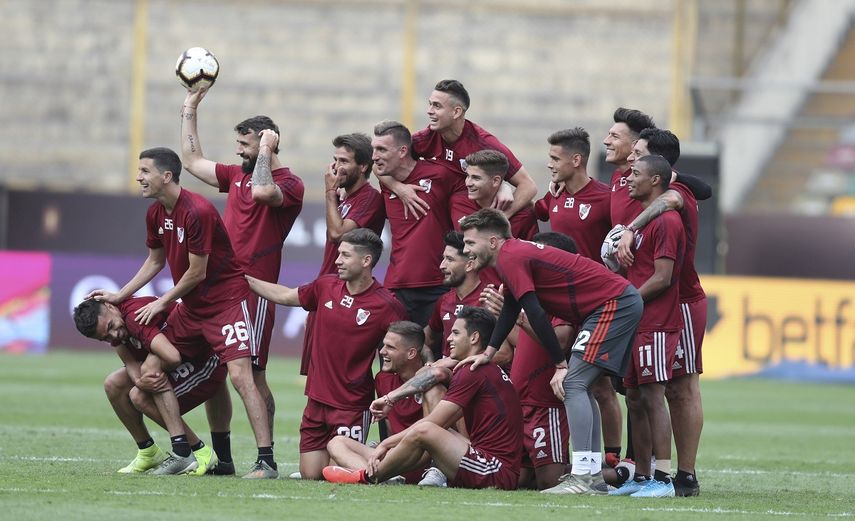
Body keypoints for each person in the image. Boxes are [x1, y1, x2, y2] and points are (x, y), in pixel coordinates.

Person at [87, 147, 278, 479]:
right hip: (191, 308)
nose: (138, 177)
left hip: (226, 303)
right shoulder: (156, 214)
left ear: (166, 176)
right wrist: (120, 295)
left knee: (239, 376)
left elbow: (196, 273)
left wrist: (162, 302)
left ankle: (266, 461)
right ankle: (187, 452)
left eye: (144, 171)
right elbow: (155, 262)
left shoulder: (197, 210)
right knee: (145, 377)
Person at [457, 208, 643, 495]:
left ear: (493, 241)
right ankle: (591, 476)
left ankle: (584, 478)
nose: (466, 249)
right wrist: (490, 351)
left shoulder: (511, 256)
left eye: (470, 243)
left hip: (613, 304)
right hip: (612, 303)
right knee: (580, 385)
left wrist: (559, 364)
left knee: (572, 383)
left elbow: (535, 312)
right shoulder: (510, 255)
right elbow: (512, 306)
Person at [180, 88, 305, 441]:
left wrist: (264, 149)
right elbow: (191, 161)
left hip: (253, 290)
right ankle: (223, 455)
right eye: (239, 144)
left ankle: (265, 453)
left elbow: (264, 192)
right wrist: (190, 107)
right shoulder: (235, 175)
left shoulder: (290, 183)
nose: (239, 150)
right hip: (220, 287)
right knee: (216, 371)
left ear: (268, 144)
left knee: (252, 373)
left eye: (245, 144)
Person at [245, 228, 408, 480]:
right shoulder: (326, 285)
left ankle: (381, 463)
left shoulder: (387, 305)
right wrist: (245, 279)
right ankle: (371, 458)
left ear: (366, 261)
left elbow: (404, 349)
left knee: (338, 469)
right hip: (316, 400)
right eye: (338, 254)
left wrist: (392, 392)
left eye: (345, 255)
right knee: (311, 475)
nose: (337, 260)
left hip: (351, 404)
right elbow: (286, 295)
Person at [322, 306, 522, 490]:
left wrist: (385, 443)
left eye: (455, 333)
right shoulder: (477, 369)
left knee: (425, 428)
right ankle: (385, 473)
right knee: (337, 441)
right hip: (446, 456)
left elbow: (431, 424)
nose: (449, 339)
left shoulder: (471, 372)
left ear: (474, 338)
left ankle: (368, 477)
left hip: (495, 470)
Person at [613, 128, 706, 496]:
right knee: (641, 393)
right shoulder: (634, 190)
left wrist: (629, 231)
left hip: (678, 302)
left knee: (679, 389)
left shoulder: (675, 196)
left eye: (639, 153)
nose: (631, 159)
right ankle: (647, 473)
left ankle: (682, 475)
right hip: (647, 303)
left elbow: (668, 204)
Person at [534, 127, 624, 468]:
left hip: (595, 304)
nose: (550, 165)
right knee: (566, 380)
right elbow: (539, 210)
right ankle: (571, 457)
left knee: (600, 386)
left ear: (577, 160)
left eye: (555, 159)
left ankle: (613, 460)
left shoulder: (605, 199)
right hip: (560, 304)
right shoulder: (554, 196)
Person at [73, 297, 233, 476]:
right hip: (178, 359)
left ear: (110, 306)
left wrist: (146, 379)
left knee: (141, 394)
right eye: (105, 337)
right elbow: (132, 365)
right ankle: (148, 451)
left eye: (111, 327)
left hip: (205, 358)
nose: (114, 336)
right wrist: (142, 381)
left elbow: (171, 357)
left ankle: (197, 451)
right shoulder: (118, 323)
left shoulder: (134, 317)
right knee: (114, 384)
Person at [608, 155, 684, 498]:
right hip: (637, 320)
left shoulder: (667, 221)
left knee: (654, 395)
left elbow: (663, 277)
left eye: (635, 174)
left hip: (655, 322)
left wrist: (628, 300)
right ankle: (640, 477)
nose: (629, 179)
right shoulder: (639, 223)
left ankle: (663, 478)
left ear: (655, 180)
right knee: (635, 398)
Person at [382, 79, 537, 221]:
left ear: (456, 112)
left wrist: (500, 217)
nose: (429, 111)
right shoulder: (426, 138)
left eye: (437, 106)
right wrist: (400, 189)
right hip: (442, 212)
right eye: (430, 104)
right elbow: (378, 162)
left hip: (473, 213)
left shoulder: (483, 144)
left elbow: (528, 186)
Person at [301, 133, 386, 376]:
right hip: (327, 290)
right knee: (317, 375)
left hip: (346, 296)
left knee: (337, 375)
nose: (337, 168)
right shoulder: (343, 199)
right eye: (335, 160)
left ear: (363, 166)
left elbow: (338, 233)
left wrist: (329, 192)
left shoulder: (369, 199)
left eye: (344, 161)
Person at [326, 321, 450, 484]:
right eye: (384, 346)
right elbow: (392, 427)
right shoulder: (383, 380)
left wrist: (387, 445)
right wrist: (385, 448)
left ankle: (373, 475)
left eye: (390, 347)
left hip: (422, 458)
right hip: (396, 454)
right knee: (336, 443)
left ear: (411, 353)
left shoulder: (434, 385)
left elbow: (428, 438)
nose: (382, 351)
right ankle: (379, 476)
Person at [372, 120, 458, 326]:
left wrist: (503, 188)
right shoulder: (386, 179)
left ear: (403, 151)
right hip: (396, 285)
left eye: (382, 149)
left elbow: (474, 179)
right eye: (373, 149)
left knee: (435, 354)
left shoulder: (440, 174)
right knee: (392, 353)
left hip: (437, 284)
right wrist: (399, 188)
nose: (375, 156)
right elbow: (376, 169)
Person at [424, 231, 498, 362]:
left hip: (475, 376)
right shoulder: (444, 300)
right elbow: (427, 339)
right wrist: (429, 361)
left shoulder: (491, 299)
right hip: (447, 375)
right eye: (443, 259)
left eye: (450, 259)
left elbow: (505, 354)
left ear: (469, 265)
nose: (442, 266)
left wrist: (453, 363)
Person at [453, 150, 538, 240]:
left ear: (495, 181)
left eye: (476, 178)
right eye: (467, 176)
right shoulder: (457, 202)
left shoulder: (524, 217)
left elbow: (530, 252)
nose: (468, 183)